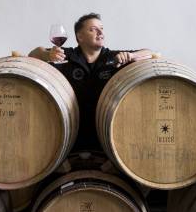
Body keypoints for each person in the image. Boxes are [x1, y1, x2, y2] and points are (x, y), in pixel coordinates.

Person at [29, 13, 153, 151]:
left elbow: (150, 53)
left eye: (102, 28)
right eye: (93, 29)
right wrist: (47, 55)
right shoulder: (67, 55)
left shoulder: (113, 57)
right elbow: (34, 54)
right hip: (70, 129)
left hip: (106, 130)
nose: (100, 32)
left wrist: (131, 56)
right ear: (80, 37)